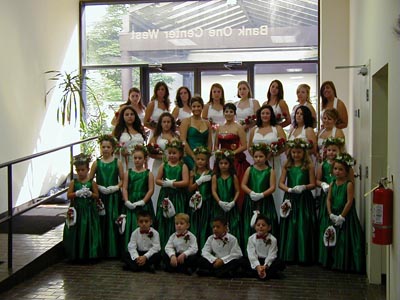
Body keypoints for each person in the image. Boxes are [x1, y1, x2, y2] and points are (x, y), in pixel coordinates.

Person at [321, 153, 365, 272]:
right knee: (332, 236)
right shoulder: (332, 183)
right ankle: (331, 261)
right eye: (335, 169)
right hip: (333, 214)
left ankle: (344, 263)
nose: (337, 172)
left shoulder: (349, 184)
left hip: (345, 216)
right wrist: (330, 213)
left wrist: (342, 216)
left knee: (344, 238)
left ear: (346, 171)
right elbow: (329, 199)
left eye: (341, 169)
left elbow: (349, 201)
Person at [279, 138, 317, 264]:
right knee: (291, 224)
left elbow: (313, 184)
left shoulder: (309, 166)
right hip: (290, 199)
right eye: (294, 152)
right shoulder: (287, 165)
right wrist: (289, 190)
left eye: (299, 152)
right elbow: (280, 183)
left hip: (304, 199)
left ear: (304, 152)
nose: (296, 155)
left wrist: (304, 187)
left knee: (303, 224)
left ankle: (303, 255)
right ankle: (289, 254)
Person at [89, 134, 124, 258]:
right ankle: (101, 249)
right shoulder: (96, 163)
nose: (105, 149)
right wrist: (98, 187)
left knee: (113, 220)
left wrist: (115, 187)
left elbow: (123, 180)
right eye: (103, 147)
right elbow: (90, 180)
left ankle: (113, 250)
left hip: (114, 197)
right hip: (101, 197)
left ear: (113, 148)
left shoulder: (117, 162)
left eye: (108, 147)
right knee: (101, 221)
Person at [63, 154, 102, 262]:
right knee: (77, 231)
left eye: (82, 170)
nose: (80, 172)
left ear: (88, 170)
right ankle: (76, 254)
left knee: (89, 231)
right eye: (78, 170)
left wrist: (90, 194)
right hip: (77, 210)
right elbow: (68, 195)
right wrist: (76, 193)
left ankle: (90, 254)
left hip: (89, 211)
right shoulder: (73, 182)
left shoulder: (92, 183)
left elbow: (97, 195)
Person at [249, 104, 286, 216]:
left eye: (267, 113)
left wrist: (272, 154)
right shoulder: (254, 130)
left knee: (275, 190)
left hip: (273, 163)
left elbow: (284, 145)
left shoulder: (277, 128)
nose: (265, 115)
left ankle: (275, 216)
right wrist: (258, 159)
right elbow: (250, 147)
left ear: (271, 115)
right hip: (258, 164)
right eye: (263, 113)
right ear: (259, 115)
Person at [241, 143, 278, 249]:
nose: (258, 159)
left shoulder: (270, 171)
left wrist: (262, 194)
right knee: (251, 223)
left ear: (266, 157)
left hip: (265, 201)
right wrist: (251, 193)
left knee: (264, 222)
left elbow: (272, 187)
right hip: (251, 201)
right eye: (256, 156)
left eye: (261, 156)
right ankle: (249, 249)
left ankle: (267, 248)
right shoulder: (250, 169)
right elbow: (243, 184)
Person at [155, 139, 189, 248]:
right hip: (166, 195)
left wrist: (173, 183)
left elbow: (186, 182)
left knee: (177, 218)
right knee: (165, 219)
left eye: (174, 153)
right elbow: (157, 180)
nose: (172, 155)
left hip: (178, 196)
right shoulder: (163, 165)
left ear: (180, 154)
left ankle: (179, 246)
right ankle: (164, 245)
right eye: (170, 153)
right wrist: (165, 183)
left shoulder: (183, 166)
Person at [215, 102, 249, 212]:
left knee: (235, 187)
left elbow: (244, 146)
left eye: (231, 111)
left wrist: (232, 153)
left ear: (234, 113)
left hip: (235, 161)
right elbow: (216, 145)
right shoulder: (219, 127)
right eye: (226, 111)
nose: (228, 113)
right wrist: (219, 152)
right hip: (221, 161)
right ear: (223, 113)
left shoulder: (239, 127)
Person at [316, 137, 345, 264]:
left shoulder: (342, 165)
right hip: (326, 197)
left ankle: (338, 255)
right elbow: (317, 180)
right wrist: (323, 184)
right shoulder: (323, 165)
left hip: (339, 196)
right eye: (329, 150)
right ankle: (324, 256)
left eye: (334, 150)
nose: (331, 153)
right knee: (325, 222)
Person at [121, 144, 155, 250]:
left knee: (144, 223)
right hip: (131, 201)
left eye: (140, 158)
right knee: (131, 225)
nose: (137, 160)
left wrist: (143, 201)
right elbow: (125, 188)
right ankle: (130, 250)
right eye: (135, 158)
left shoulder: (148, 174)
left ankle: (145, 249)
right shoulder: (128, 173)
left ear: (145, 159)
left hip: (143, 203)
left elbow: (151, 189)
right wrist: (126, 201)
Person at [148, 112, 179, 212]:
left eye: (168, 122)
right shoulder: (156, 137)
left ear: (172, 123)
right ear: (160, 123)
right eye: (164, 122)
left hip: (174, 167)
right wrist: (163, 157)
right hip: (159, 165)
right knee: (158, 189)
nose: (166, 124)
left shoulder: (177, 136)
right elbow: (149, 152)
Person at [211, 150, 242, 247]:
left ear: (230, 164)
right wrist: (219, 202)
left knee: (233, 225)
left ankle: (233, 248)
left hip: (231, 206)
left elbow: (237, 190)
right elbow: (214, 191)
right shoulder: (215, 177)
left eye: (226, 163)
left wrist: (233, 202)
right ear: (218, 164)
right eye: (221, 163)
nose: (223, 165)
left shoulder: (233, 177)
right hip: (219, 206)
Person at [245, 214, 285, 280]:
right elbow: (251, 254)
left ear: (269, 227)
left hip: (267, 262)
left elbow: (272, 254)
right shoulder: (251, 238)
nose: (260, 227)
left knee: (280, 263)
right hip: (256, 261)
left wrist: (265, 266)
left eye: (263, 225)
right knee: (242, 261)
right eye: (258, 225)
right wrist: (258, 266)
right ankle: (266, 274)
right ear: (255, 227)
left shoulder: (273, 239)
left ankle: (260, 273)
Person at [187, 146, 213, 249]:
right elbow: (190, 189)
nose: (200, 162)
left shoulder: (210, 173)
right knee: (195, 225)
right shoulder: (192, 173)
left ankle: (204, 248)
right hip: (196, 203)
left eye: (203, 159)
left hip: (207, 203)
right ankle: (194, 249)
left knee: (205, 226)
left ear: (207, 161)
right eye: (198, 159)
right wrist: (199, 181)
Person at [180, 96, 212, 170]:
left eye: (198, 106)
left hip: (204, 158)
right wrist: (193, 156)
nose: (196, 108)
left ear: (202, 107)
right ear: (191, 108)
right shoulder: (186, 121)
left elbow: (209, 142)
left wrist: (207, 157)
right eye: (194, 106)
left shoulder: (207, 123)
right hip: (190, 156)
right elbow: (183, 140)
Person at [112, 105, 146, 171]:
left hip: (138, 161)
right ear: (123, 116)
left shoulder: (140, 129)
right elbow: (112, 146)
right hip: (123, 161)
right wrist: (121, 151)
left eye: (132, 114)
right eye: (127, 115)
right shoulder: (118, 129)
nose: (129, 116)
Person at [235, 80, 260, 165]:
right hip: (239, 132)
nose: (242, 91)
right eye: (240, 89)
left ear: (248, 90)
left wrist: (247, 126)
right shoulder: (235, 104)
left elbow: (259, 118)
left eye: (244, 89)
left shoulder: (254, 102)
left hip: (251, 131)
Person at [202, 83, 226, 152]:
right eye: (214, 92)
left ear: (222, 94)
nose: (216, 94)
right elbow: (203, 121)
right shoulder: (207, 106)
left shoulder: (225, 106)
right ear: (211, 94)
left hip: (223, 133)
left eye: (219, 92)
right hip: (211, 133)